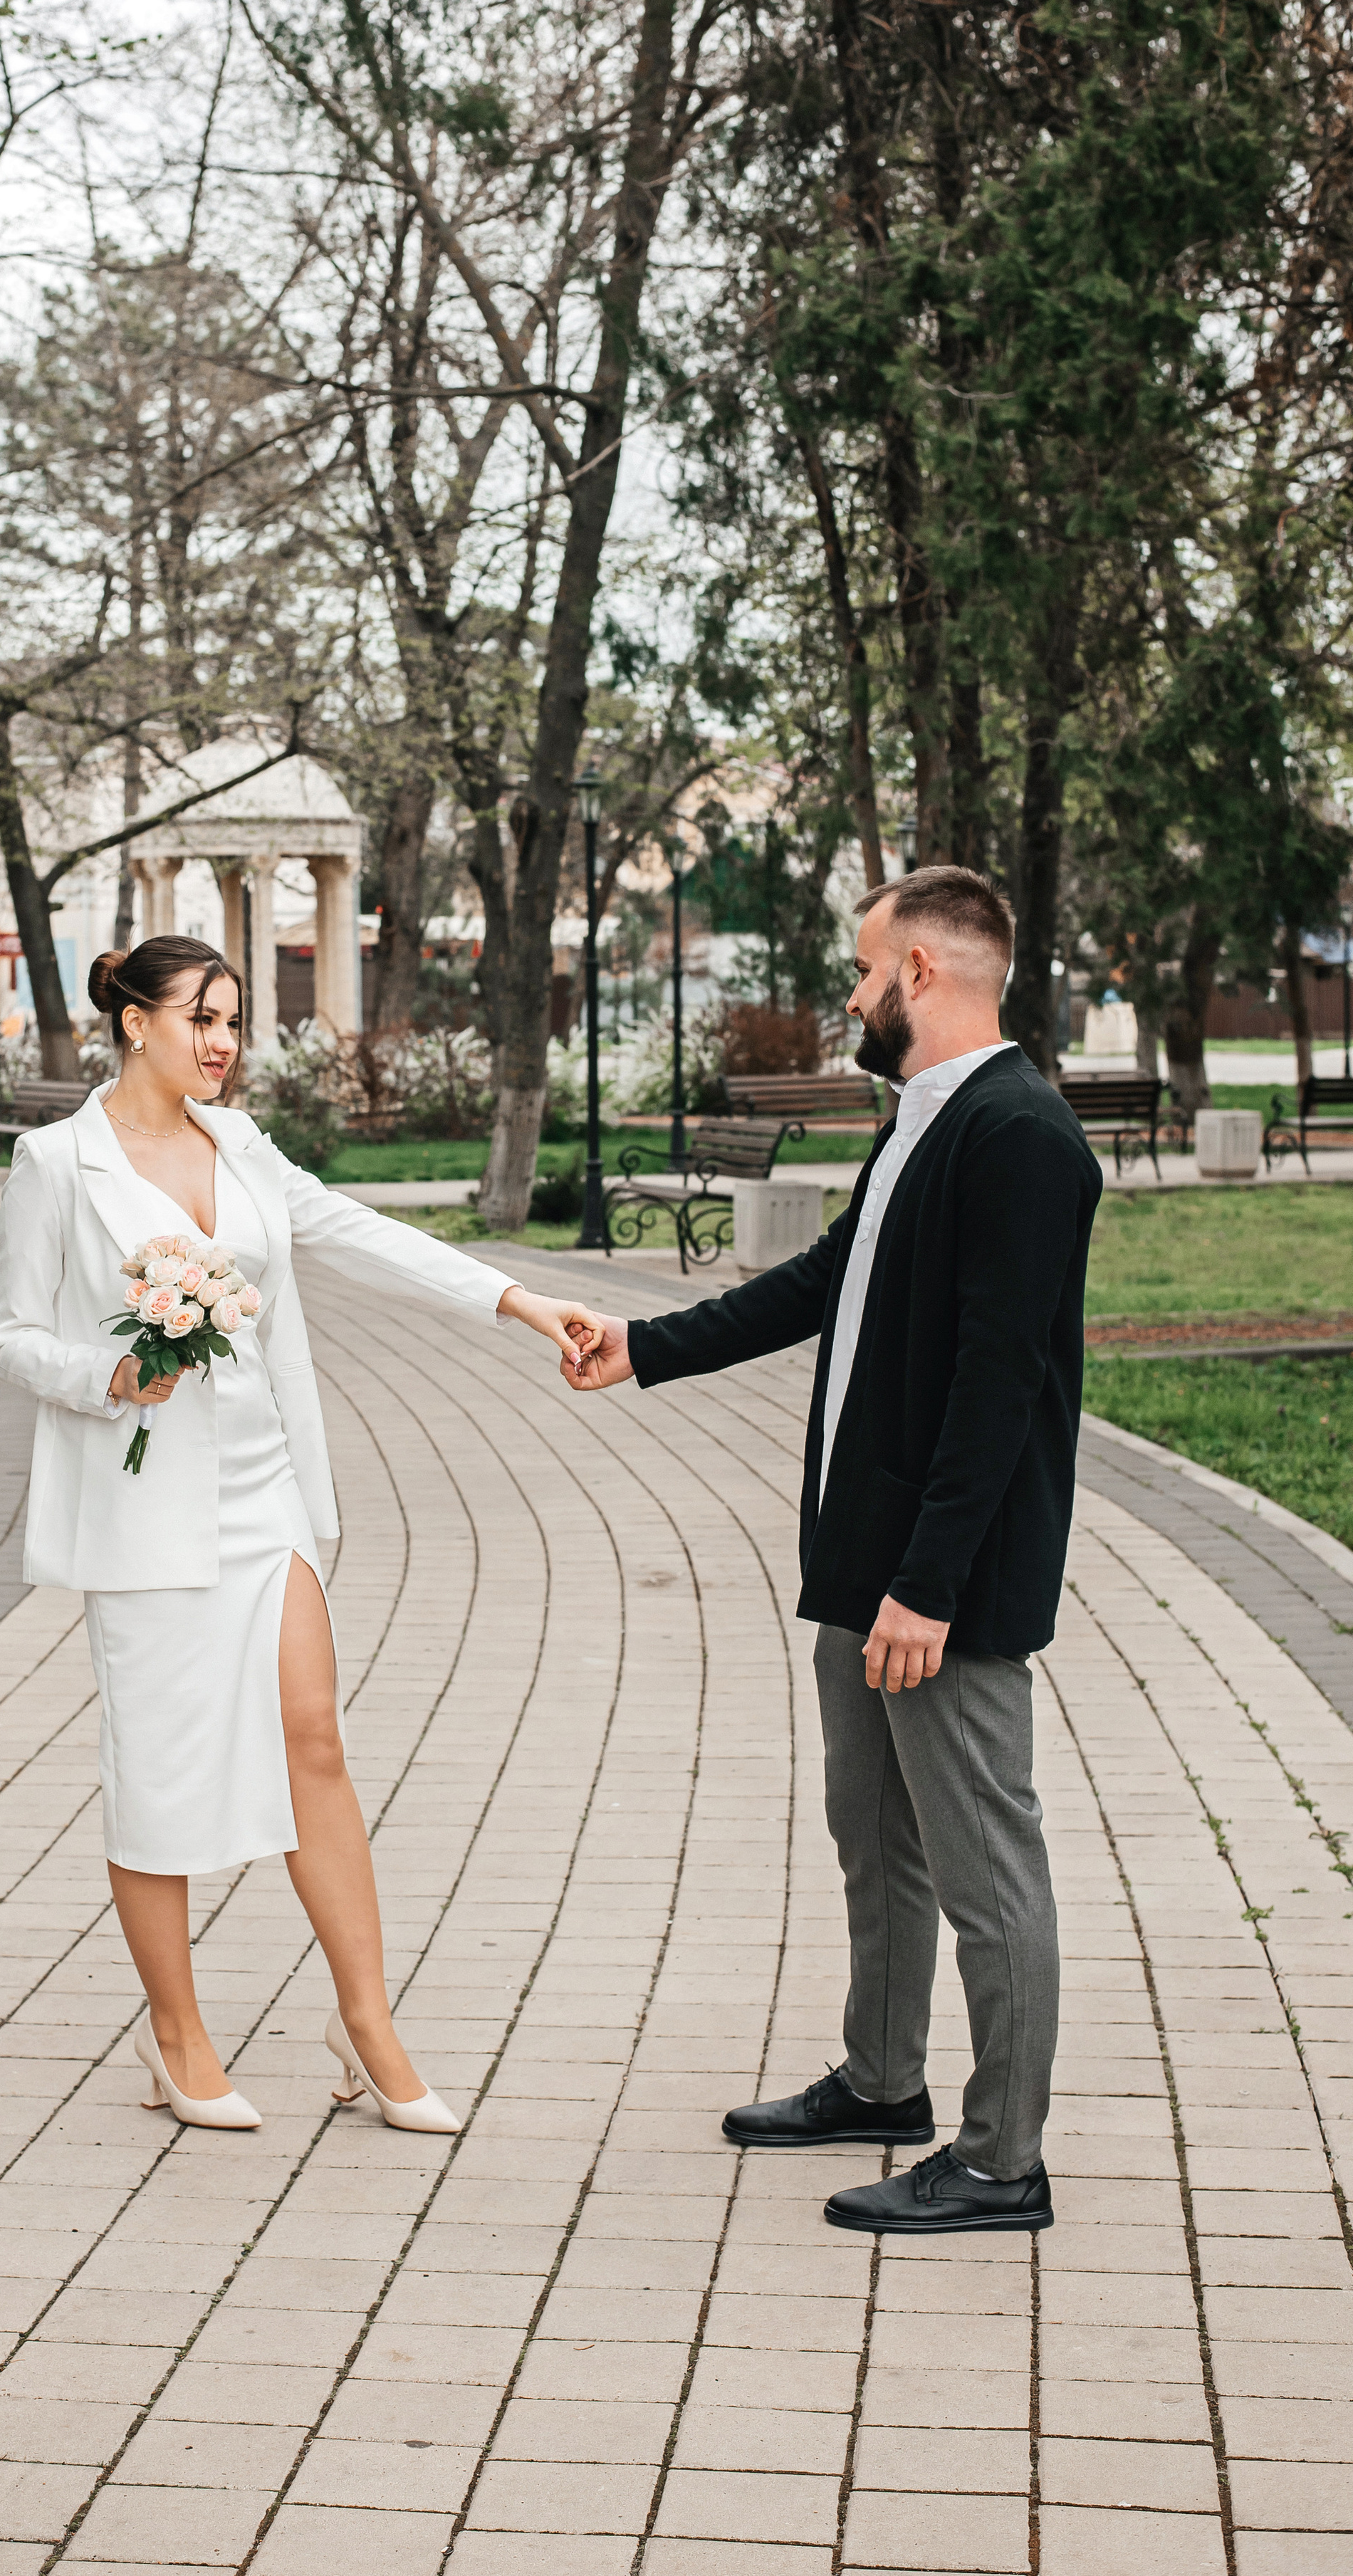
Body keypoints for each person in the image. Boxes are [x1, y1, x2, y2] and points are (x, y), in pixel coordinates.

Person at [563, 866, 1102, 2235]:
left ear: (922, 971)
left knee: (988, 1862)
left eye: (863, 971)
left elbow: (998, 1380)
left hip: (944, 1586)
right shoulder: (924, 1119)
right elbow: (828, 1286)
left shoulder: (1024, 1135)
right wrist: (645, 1347)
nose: (851, 996)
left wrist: (927, 1585)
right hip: (866, 1564)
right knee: (877, 1839)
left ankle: (1001, 2159)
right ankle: (880, 2082)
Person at [0, 934, 597, 2135]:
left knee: (313, 1737)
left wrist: (520, 1300)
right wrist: (108, 1370)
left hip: (264, 1489)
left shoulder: (242, 1144)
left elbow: (361, 1231)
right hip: (144, 1502)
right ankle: (178, 2037)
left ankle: (366, 2024)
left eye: (233, 1019)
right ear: (133, 1023)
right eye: (199, 1017)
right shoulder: (57, 1163)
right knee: (158, 1767)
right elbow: (8, 1334)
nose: (221, 1042)